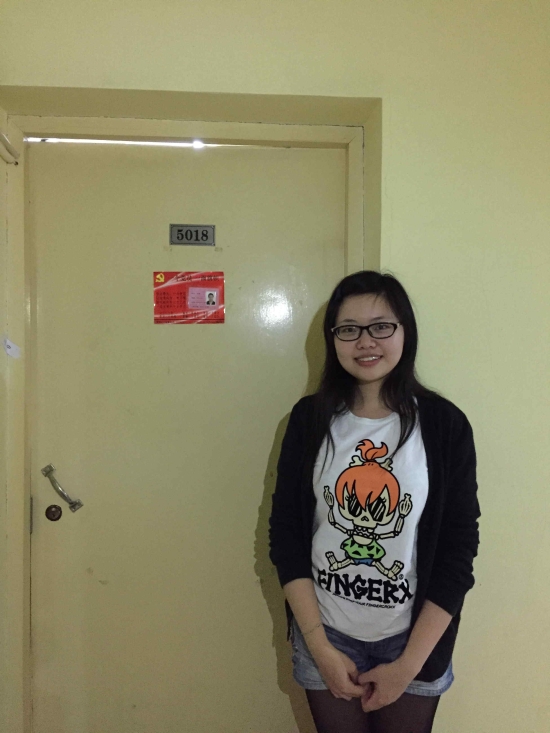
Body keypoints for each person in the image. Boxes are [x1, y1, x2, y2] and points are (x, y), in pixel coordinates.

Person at [269, 271, 480, 733]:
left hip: (413, 644)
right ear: (333, 339)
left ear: (405, 331)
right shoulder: (308, 420)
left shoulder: (444, 425)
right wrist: (319, 647)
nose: (365, 341)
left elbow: (458, 551)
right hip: (325, 635)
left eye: (381, 326)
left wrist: (408, 666)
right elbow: (285, 537)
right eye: (349, 329)